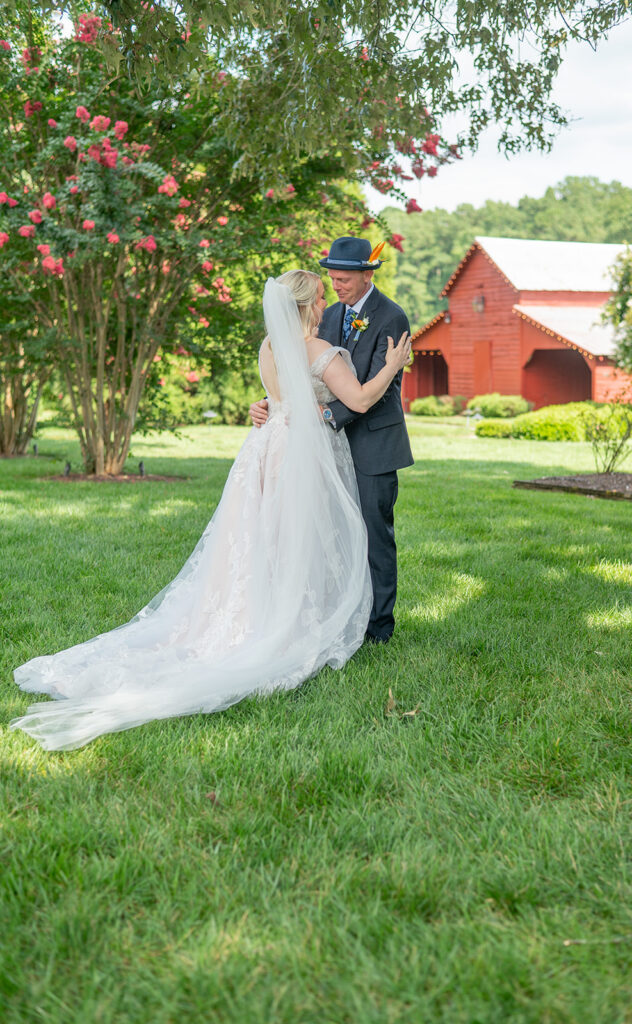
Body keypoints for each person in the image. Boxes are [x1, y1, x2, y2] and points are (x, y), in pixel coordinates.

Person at [11, 271, 411, 750]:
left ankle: (257, 613)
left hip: (266, 448)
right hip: (301, 452)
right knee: (297, 537)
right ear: (305, 306)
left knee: (264, 539)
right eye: (320, 295)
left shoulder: (270, 345)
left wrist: (264, 406)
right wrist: (393, 364)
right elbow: (362, 397)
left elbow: (282, 397)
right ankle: (287, 620)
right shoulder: (311, 349)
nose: (326, 300)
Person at [250, 237, 414, 643]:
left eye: (343, 279)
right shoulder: (325, 313)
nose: (336, 286)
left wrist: (322, 414)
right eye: (332, 279)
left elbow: (383, 388)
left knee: (375, 533)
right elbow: (299, 368)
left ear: (366, 274)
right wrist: (274, 404)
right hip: (317, 445)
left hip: (372, 443)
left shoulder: (392, 317)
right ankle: (339, 615)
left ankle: (378, 628)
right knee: (327, 533)